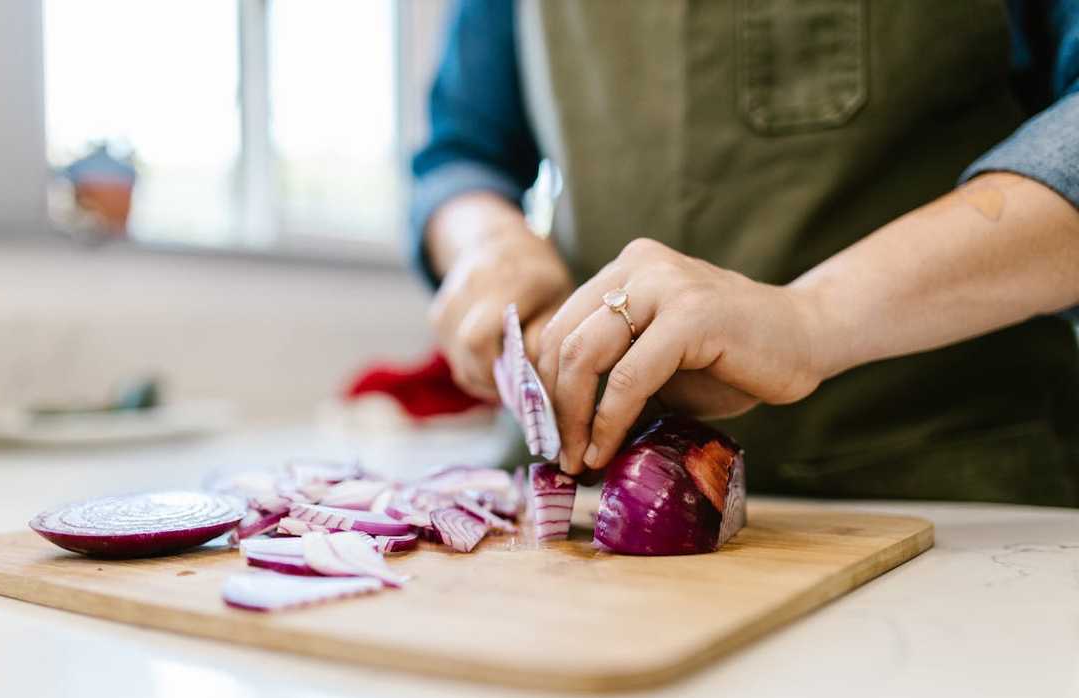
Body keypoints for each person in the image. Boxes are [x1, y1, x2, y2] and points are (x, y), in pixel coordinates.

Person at [410, 0, 1079, 506]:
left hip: (949, 497)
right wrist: (487, 243)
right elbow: (463, 152)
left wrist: (811, 317)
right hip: (590, 504)